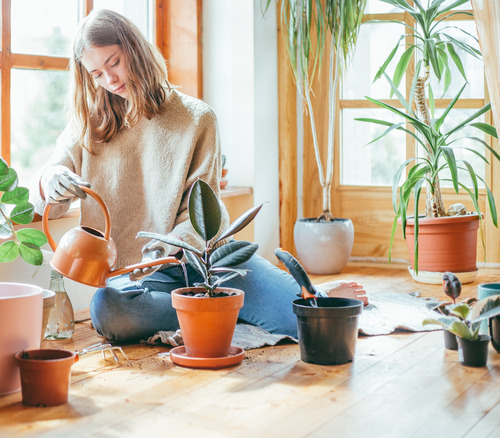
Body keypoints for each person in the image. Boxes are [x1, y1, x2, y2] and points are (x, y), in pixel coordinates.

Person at [31, 9, 367, 343]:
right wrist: (53, 180)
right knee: (108, 310)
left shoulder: (197, 118)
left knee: (312, 320)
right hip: (141, 282)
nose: (110, 79)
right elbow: (50, 186)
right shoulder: (88, 125)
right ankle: (220, 309)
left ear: (134, 49)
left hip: (208, 264)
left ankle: (248, 300)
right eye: (97, 74)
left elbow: (203, 215)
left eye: (114, 62)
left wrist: (165, 248)